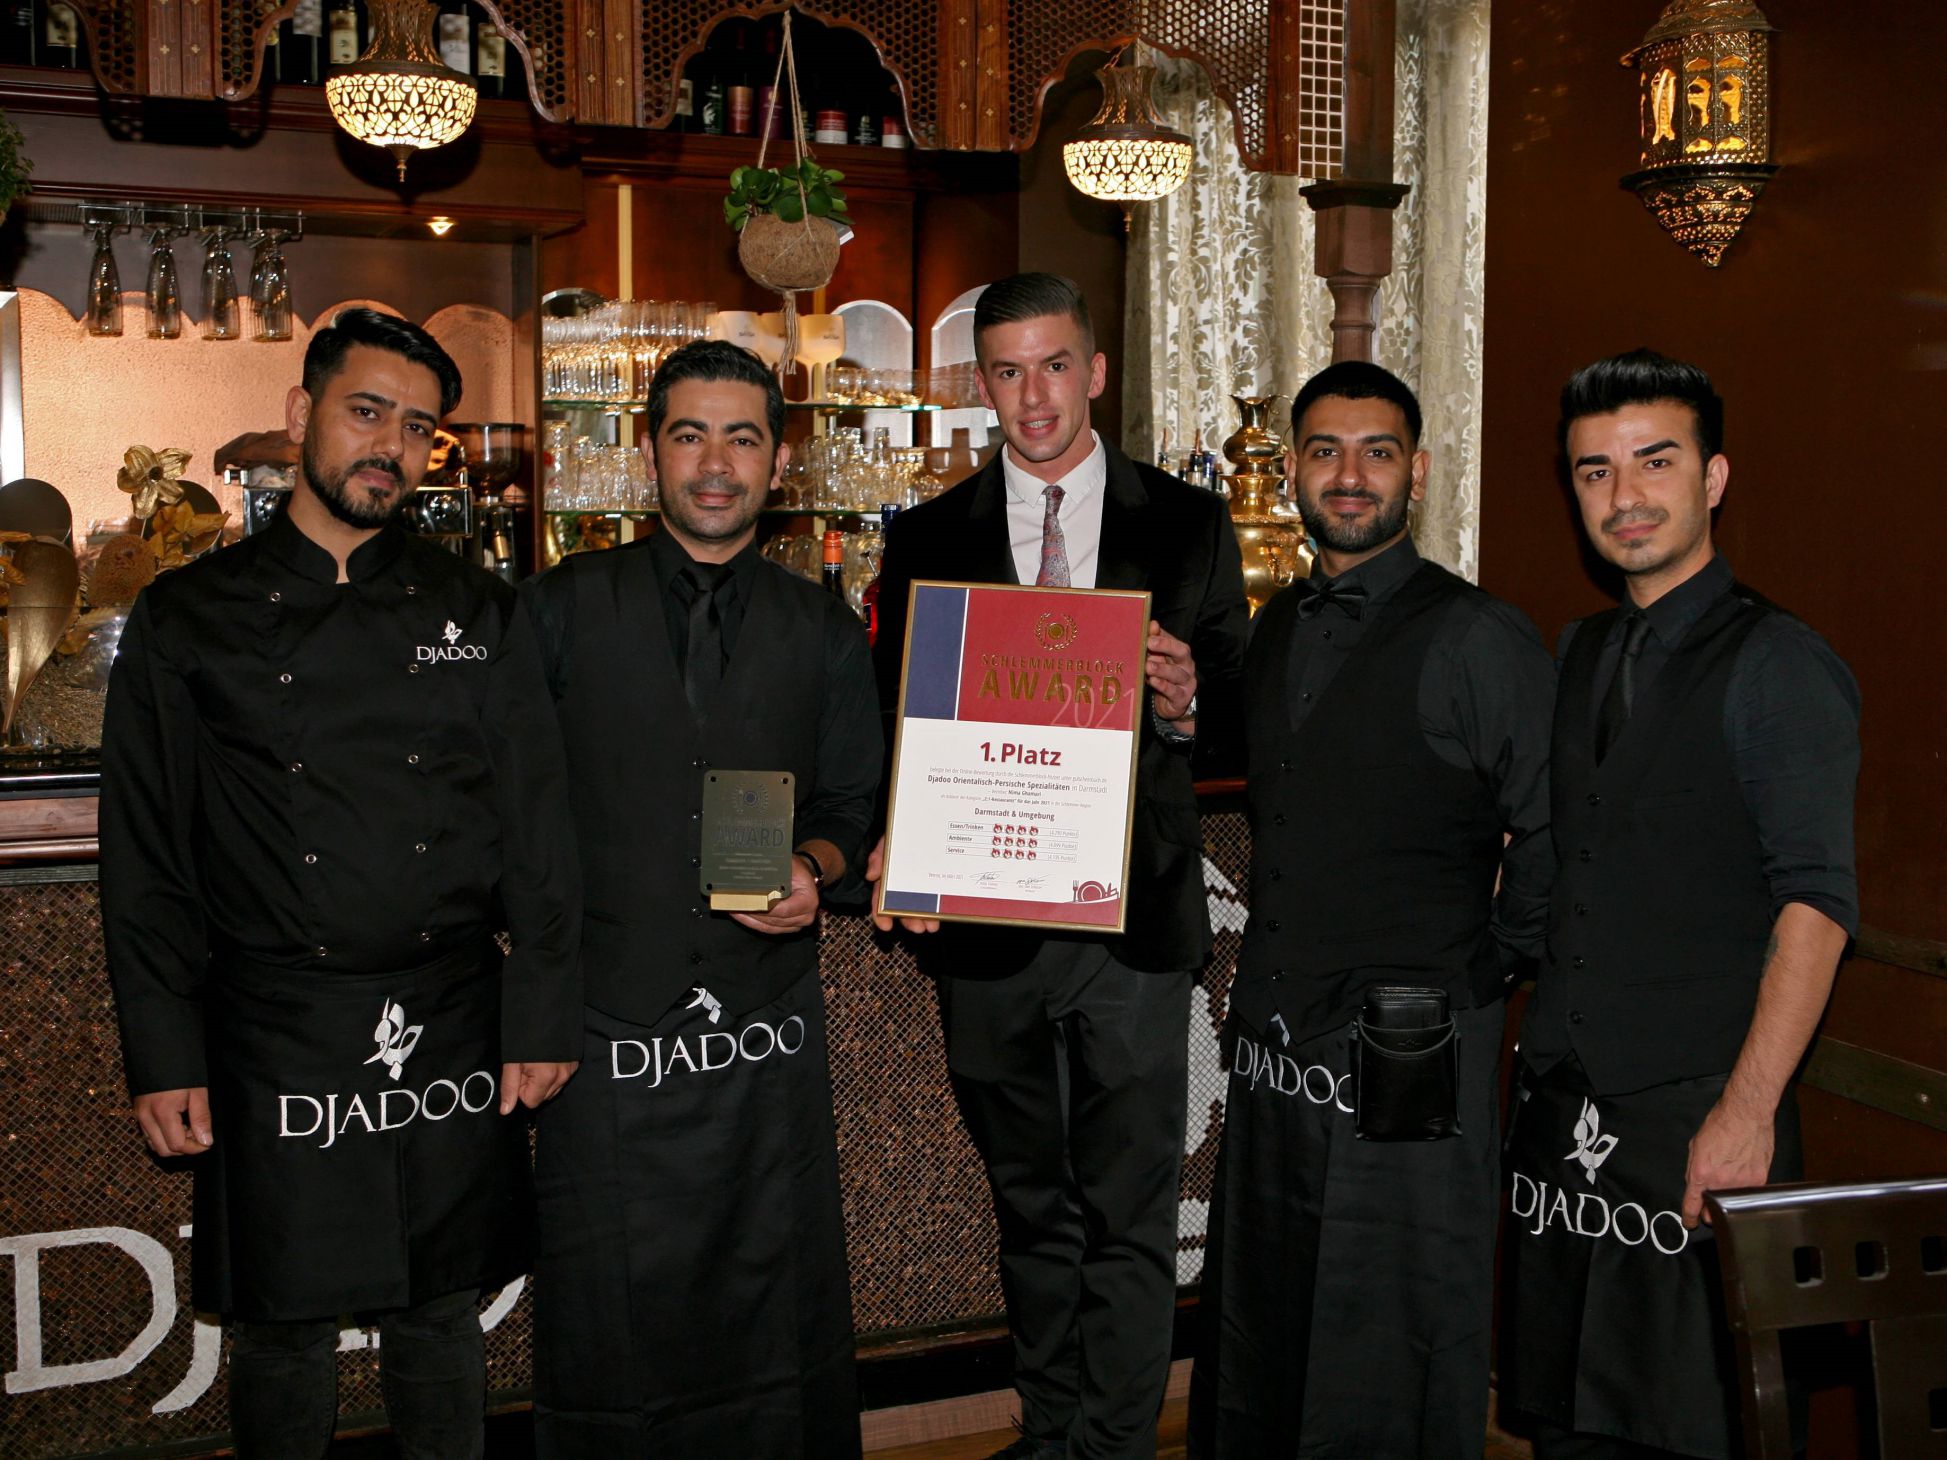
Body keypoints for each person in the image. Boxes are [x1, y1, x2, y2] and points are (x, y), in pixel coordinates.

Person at [100, 307, 582, 1458]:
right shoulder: (190, 616)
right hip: (275, 1021)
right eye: (367, 412)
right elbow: (148, 852)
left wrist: (541, 1008)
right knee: (281, 1326)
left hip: (448, 1007)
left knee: (439, 1312)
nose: (390, 446)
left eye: (417, 428)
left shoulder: (476, 606)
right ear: (299, 412)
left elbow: (538, 823)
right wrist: (163, 1048)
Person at [868, 273, 1250, 1460]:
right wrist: (893, 829)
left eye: (1053, 364)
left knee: (1130, 1210)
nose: (1033, 395)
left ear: (1094, 370)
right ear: (982, 384)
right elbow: (895, 723)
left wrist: (1187, 705)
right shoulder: (926, 537)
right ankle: (1052, 1433)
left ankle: (1115, 1445)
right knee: (1029, 1202)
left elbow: (1242, 717)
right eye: (1007, 370)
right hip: (986, 921)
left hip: (1131, 921)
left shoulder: (1188, 523)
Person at [1185, 361, 1555, 1458]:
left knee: (1393, 1325)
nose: (1349, 476)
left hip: (1409, 1051)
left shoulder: (1480, 635)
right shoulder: (1277, 626)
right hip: (1279, 1039)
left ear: (1418, 473)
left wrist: (1483, 968)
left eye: (1377, 452)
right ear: (1293, 470)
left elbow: (1551, 829)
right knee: (1267, 1312)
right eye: (1326, 451)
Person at [521, 339, 882, 1458]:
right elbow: (513, 808)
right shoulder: (557, 608)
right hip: (605, 1025)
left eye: (741, 438)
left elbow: (853, 799)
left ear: (778, 461)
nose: (715, 464)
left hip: (762, 1027)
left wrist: (815, 869)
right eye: (689, 435)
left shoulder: (822, 626)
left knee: (772, 1298)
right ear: (648, 454)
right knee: (610, 1308)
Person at [1503, 350, 1860, 1459]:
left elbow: (1816, 906)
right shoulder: (1580, 650)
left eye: (1654, 462)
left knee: (1690, 1427)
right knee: (1564, 1423)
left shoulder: (1779, 662)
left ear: (1712, 477)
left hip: (1699, 1122)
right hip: (1566, 1120)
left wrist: (1747, 1113)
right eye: (1594, 471)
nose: (1624, 495)